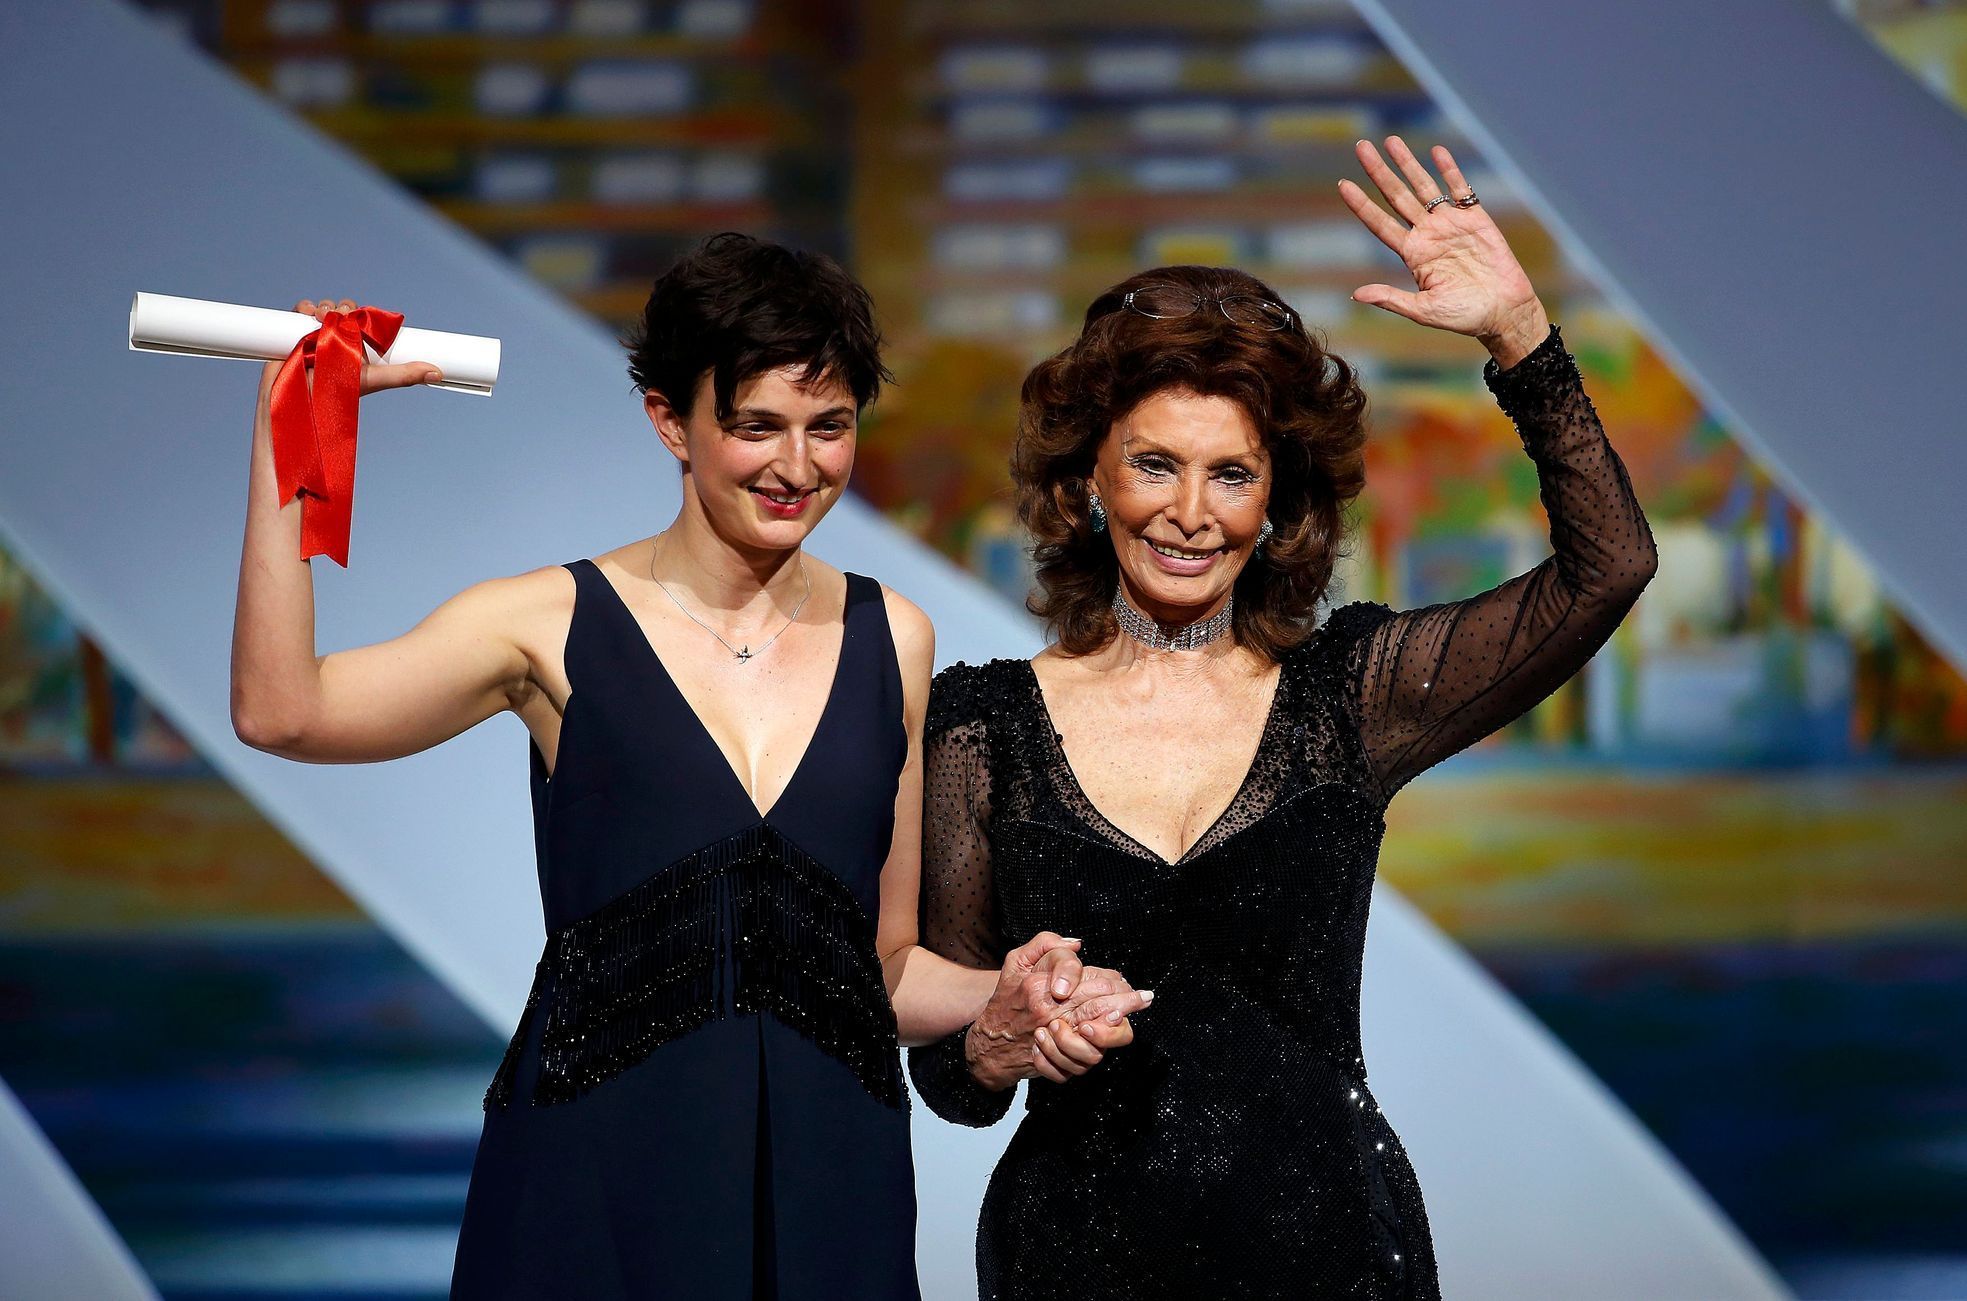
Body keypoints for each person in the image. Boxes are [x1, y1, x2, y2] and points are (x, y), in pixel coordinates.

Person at [227, 233, 1146, 1299]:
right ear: (671, 419)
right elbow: (281, 709)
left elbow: (882, 966)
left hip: (829, 1180)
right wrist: (289, 440)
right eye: (755, 425)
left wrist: (1013, 992)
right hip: (594, 1183)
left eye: (828, 427)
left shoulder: (892, 636)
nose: (795, 466)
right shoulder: (540, 623)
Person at [907, 139, 1660, 1300]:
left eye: (1232, 474)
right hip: (1071, 1262)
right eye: (1153, 464)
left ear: (1276, 502)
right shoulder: (976, 728)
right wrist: (996, 1043)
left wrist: (1519, 336)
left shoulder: (1349, 693)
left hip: (1331, 1255)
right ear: (1086, 482)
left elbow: (1606, 567)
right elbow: (953, 1075)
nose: (1188, 513)